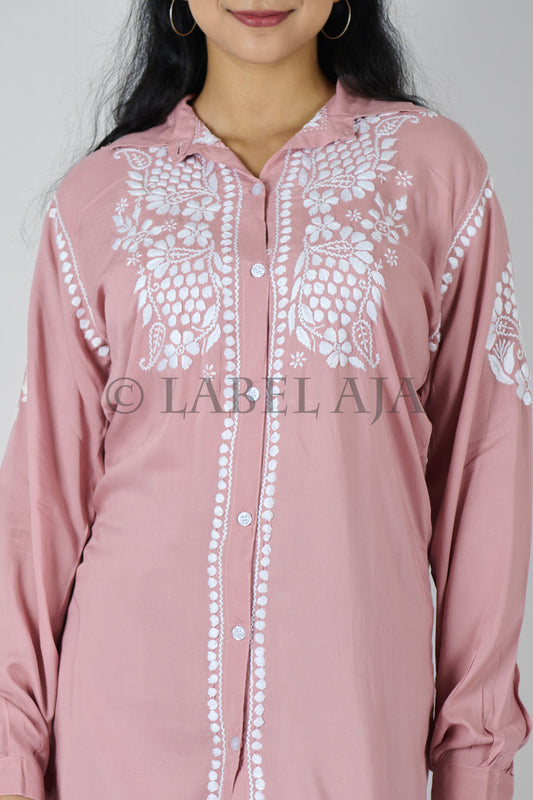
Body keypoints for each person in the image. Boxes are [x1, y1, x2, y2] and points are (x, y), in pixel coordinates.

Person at [0, 0, 531, 798]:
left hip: (346, 737)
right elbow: (42, 499)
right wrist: (12, 759)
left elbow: (483, 471)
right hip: (121, 738)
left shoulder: (431, 172)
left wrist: (474, 764)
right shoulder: (96, 197)